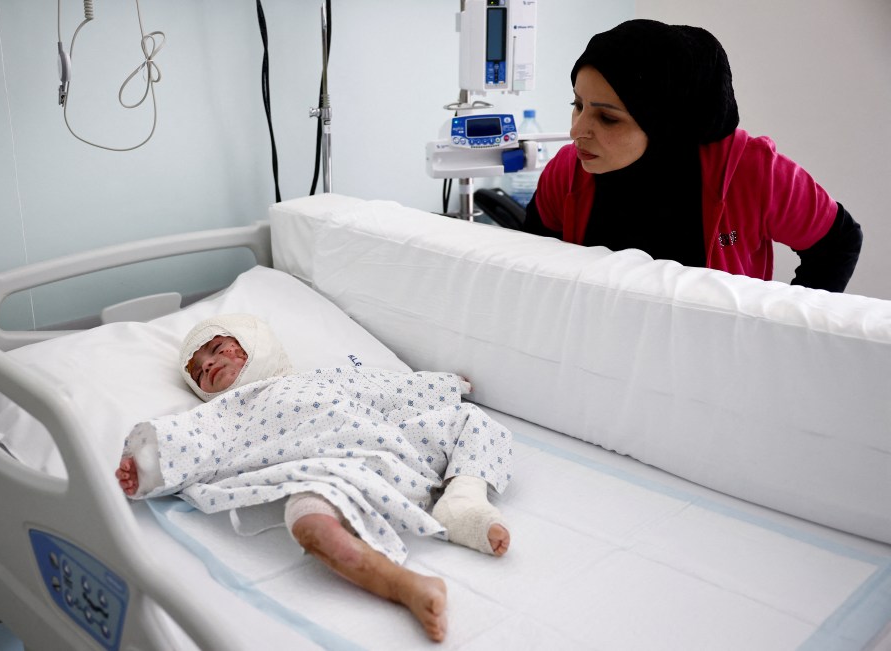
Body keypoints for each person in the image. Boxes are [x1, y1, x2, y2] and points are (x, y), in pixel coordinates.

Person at [114, 314, 513, 642]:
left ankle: (463, 496)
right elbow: (192, 437)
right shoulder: (228, 411)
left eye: (218, 349)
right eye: (199, 371)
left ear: (255, 344)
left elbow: (388, 389)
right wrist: (146, 463)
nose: (210, 365)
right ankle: (401, 584)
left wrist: (442, 385)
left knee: (470, 420)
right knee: (309, 520)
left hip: (394, 447)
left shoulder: (323, 376)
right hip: (327, 469)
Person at [523, 19, 862, 292]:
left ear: (664, 123)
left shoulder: (750, 170)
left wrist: (787, 331)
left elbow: (837, 242)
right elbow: (534, 265)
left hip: (717, 356)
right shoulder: (569, 171)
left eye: (608, 117)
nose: (576, 131)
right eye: (577, 105)